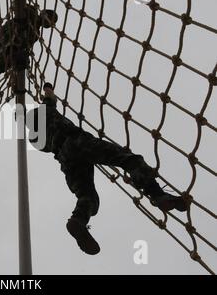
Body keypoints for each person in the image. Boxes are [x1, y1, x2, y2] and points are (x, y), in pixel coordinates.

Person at [26, 83, 189, 255]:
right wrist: (47, 89)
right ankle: (157, 193)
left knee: (88, 195)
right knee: (127, 159)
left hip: (65, 159)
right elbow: (50, 99)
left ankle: (79, 220)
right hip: (78, 142)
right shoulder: (46, 112)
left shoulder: (36, 141)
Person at [0, 5, 58, 89]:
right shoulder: (32, 12)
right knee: (15, 55)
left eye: (49, 23)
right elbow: (20, 7)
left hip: (11, 44)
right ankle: (6, 62)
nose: (47, 23)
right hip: (8, 35)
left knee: (9, 62)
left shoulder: (36, 34)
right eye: (49, 19)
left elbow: (26, 45)